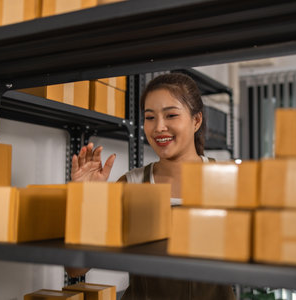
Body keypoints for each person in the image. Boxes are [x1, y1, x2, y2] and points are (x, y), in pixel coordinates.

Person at [69, 73, 236, 300]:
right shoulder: (131, 184)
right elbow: (75, 269)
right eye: (150, 117)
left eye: (171, 115)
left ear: (196, 120)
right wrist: (87, 197)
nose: (159, 127)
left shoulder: (229, 181)